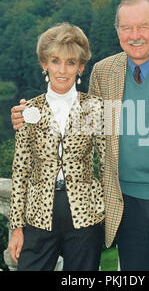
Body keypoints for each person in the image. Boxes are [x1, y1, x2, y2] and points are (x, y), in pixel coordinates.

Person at [10, 0, 149, 271]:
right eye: (126, 28)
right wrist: (27, 116)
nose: (134, 35)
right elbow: (83, 132)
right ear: (118, 31)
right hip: (126, 209)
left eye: (143, 26)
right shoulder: (105, 72)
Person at [8, 22, 105, 271]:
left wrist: (105, 211)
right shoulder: (28, 110)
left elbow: (108, 166)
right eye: (55, 61)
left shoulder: (96, 107)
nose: (62, 70)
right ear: (44, 64)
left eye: (71, 62)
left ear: (81, 67)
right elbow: (21, 171)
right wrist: (17, 227)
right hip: (39, 214)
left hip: (85, 215)